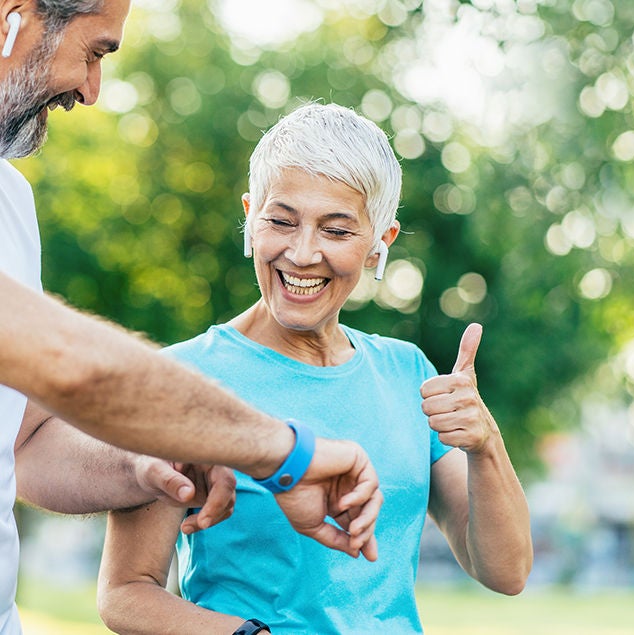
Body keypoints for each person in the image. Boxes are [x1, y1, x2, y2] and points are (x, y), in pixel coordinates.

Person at [0, 2, 385, 632]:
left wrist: (144, 465)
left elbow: (28, 443)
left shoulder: (9, 197)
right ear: (12, 19)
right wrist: (282, 453)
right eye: (95, 52)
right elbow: (67, 363)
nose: (92, 92)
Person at [97, 103, 533, 634]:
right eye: (281, 221)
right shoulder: (180, 379)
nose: (302, 254)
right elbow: (125, 593)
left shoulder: (408, 373)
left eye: (337, 230)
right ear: (250, 217)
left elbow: (506, 570)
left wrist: (485, 443)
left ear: (380, 243)